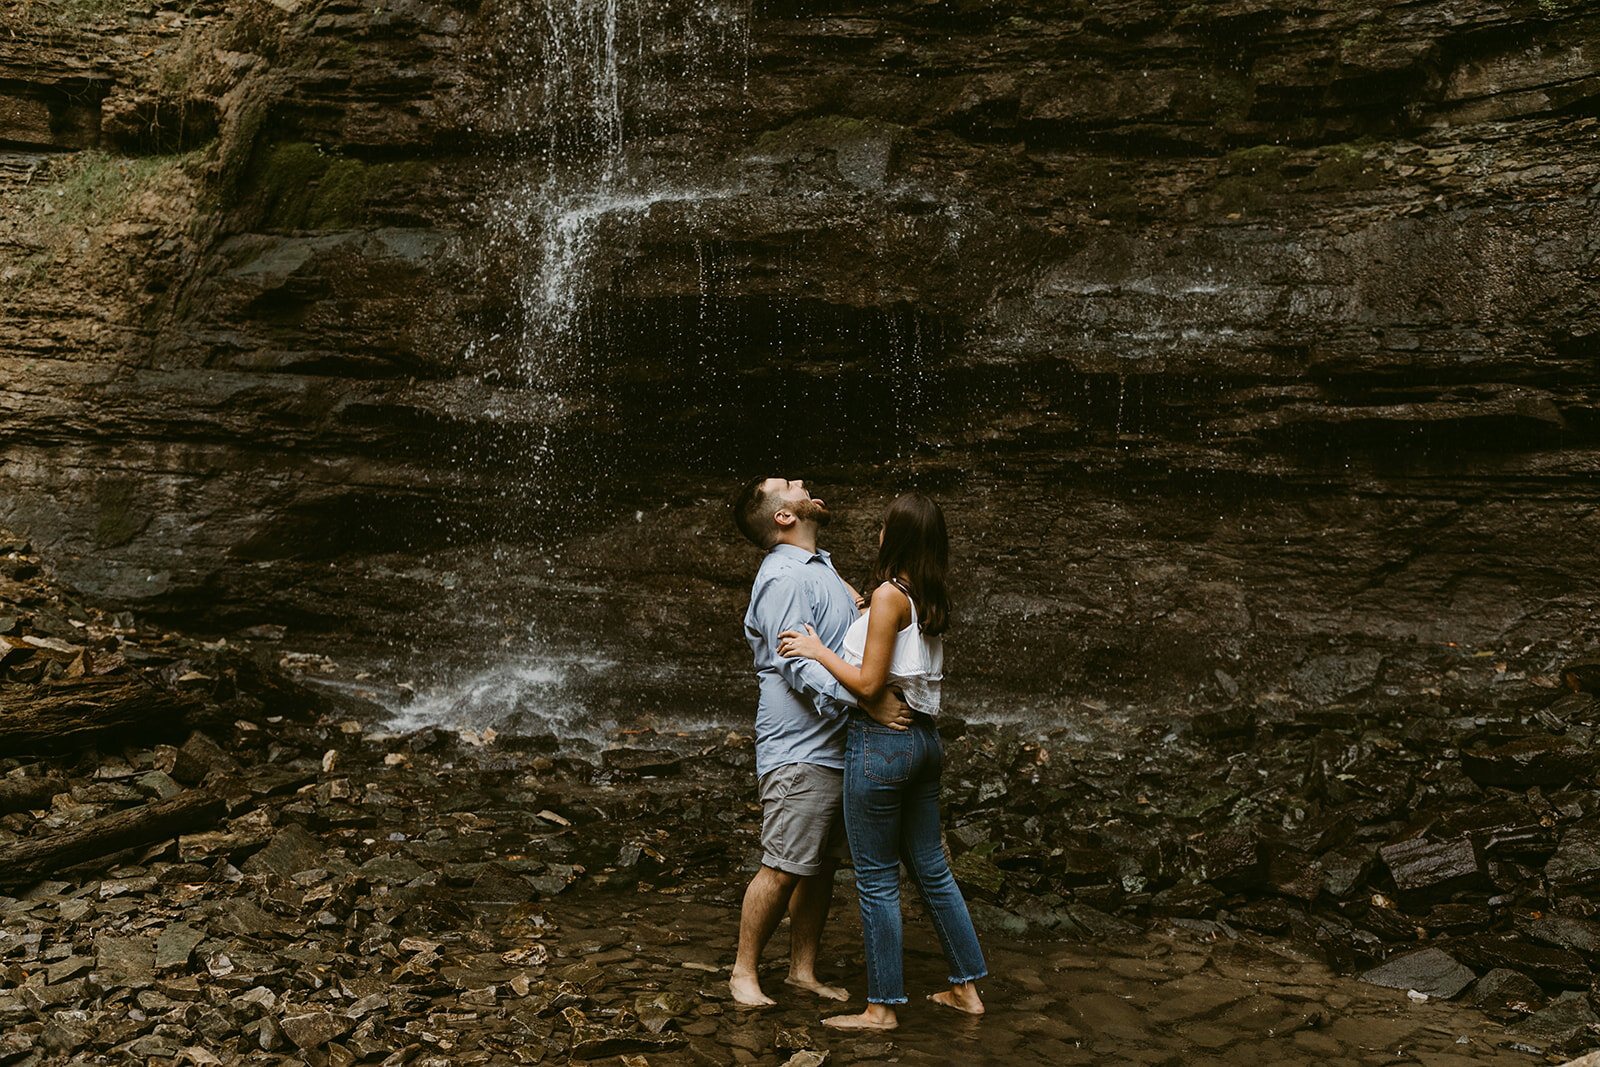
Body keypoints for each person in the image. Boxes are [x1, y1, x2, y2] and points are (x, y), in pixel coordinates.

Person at [778, 491, 986, 1031]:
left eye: (883, 525)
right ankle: (965, 988)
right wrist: (837, 580)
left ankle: (881, 1008)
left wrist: (816, 649)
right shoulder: (925, 594)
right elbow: (878, 622)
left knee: (875, 879)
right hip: (922, 743)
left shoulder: (890, 597)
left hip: (880, 744)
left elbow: (869, 683)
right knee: (933, 870)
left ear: (893, 537)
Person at [729, 476, 914, 1008]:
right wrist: (866, 700)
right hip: (800, 747)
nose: (802, 484)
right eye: (789, 485)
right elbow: (795, 661)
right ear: (784, 516)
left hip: (837, 745)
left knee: (818, 865)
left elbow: (836, 642)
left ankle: (800, 971)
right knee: (784, 863)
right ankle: (743, 973)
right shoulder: (784, 578)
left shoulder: (819, 567)